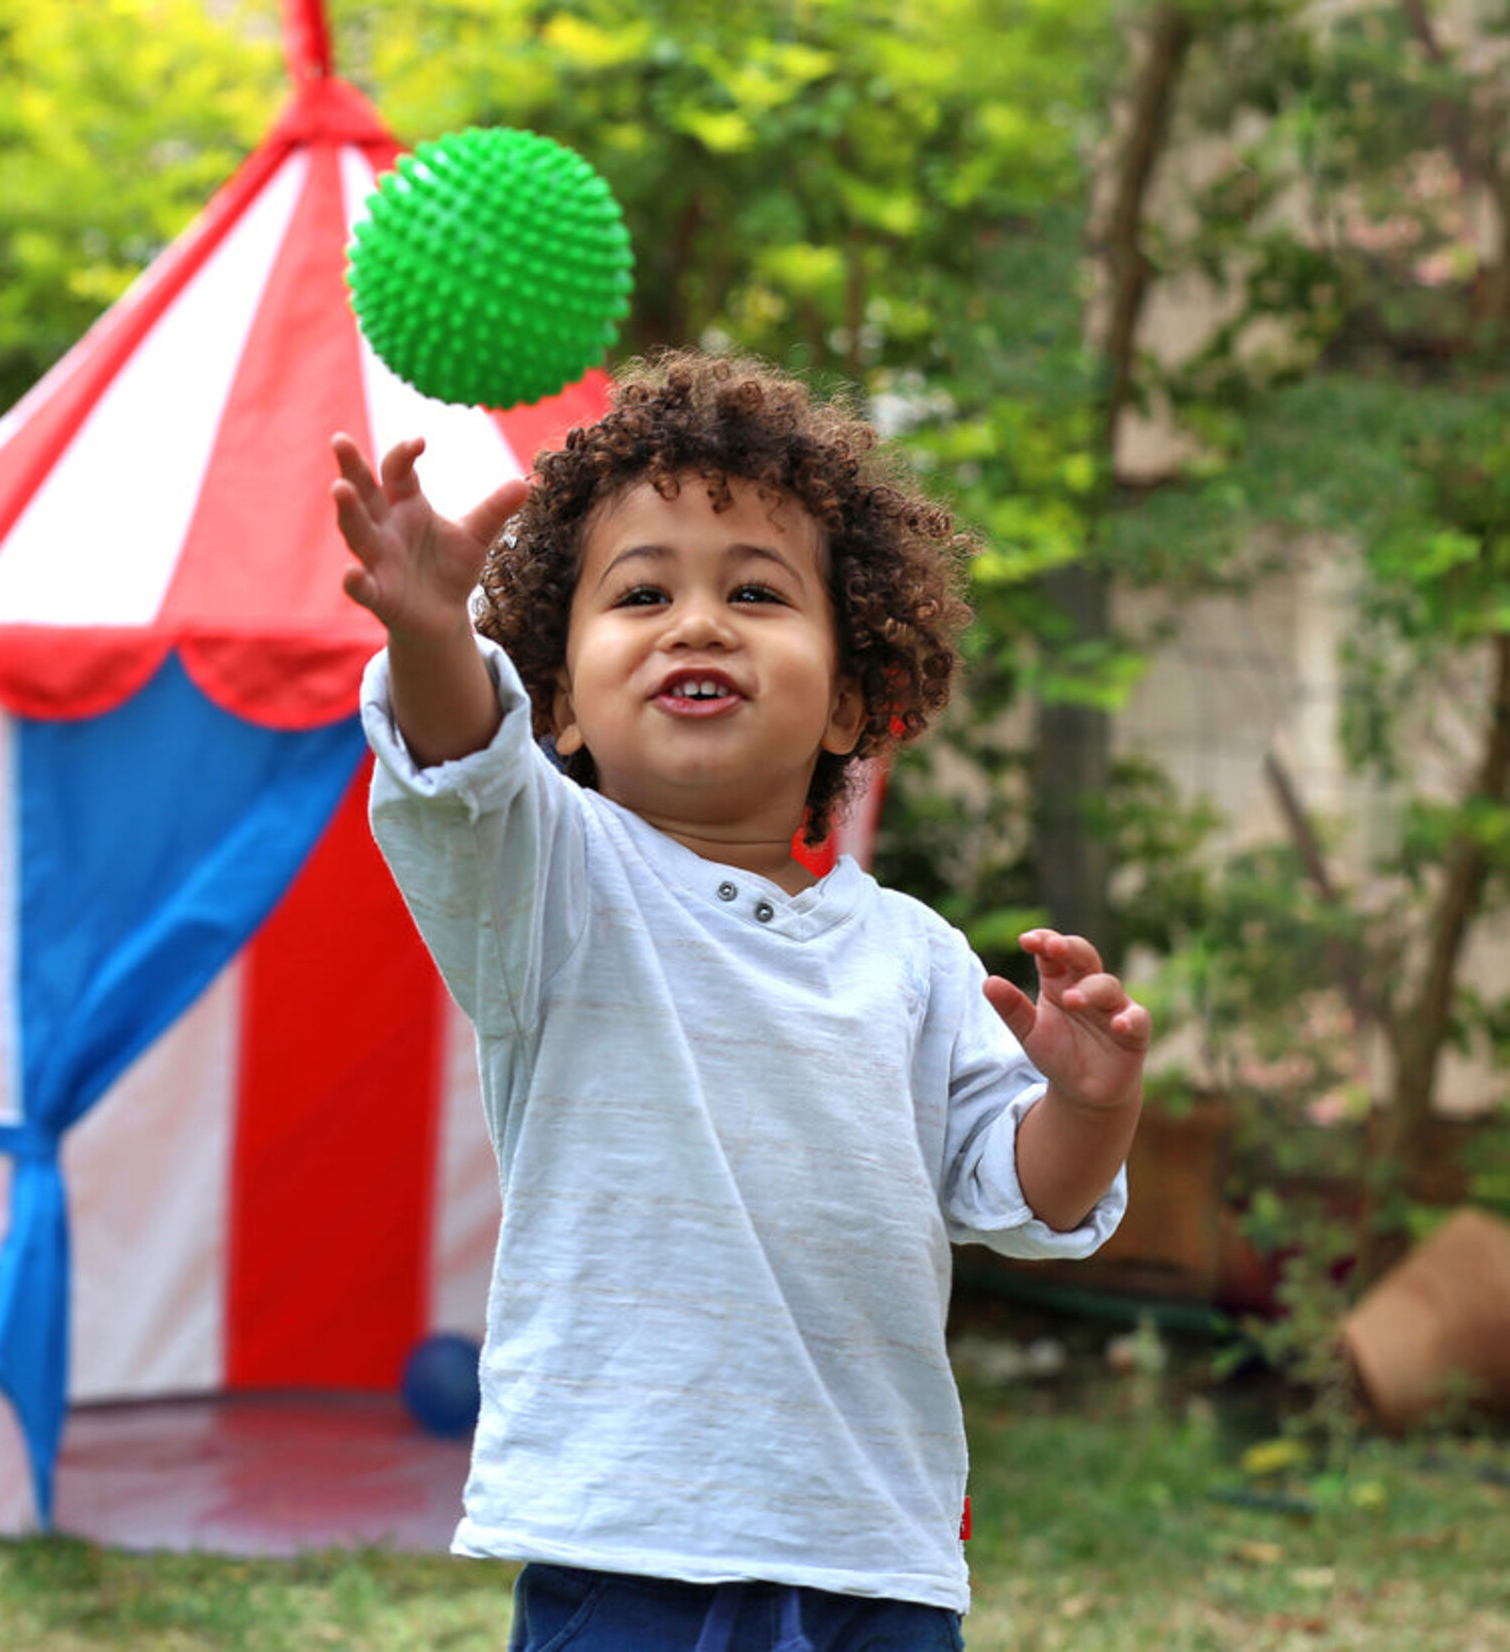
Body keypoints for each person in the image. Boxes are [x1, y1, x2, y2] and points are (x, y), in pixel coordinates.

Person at [331, 351, 1150, 1652]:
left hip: (875, 1553)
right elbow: (458, 768)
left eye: (755, 592)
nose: (696, 623)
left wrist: (1090, 1105)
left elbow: (1025, 1197)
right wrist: (434, 637)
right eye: (642, 592)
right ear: (560, 700)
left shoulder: (920, 958)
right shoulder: (549, 882)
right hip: (626, 1544)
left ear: (853, 702)